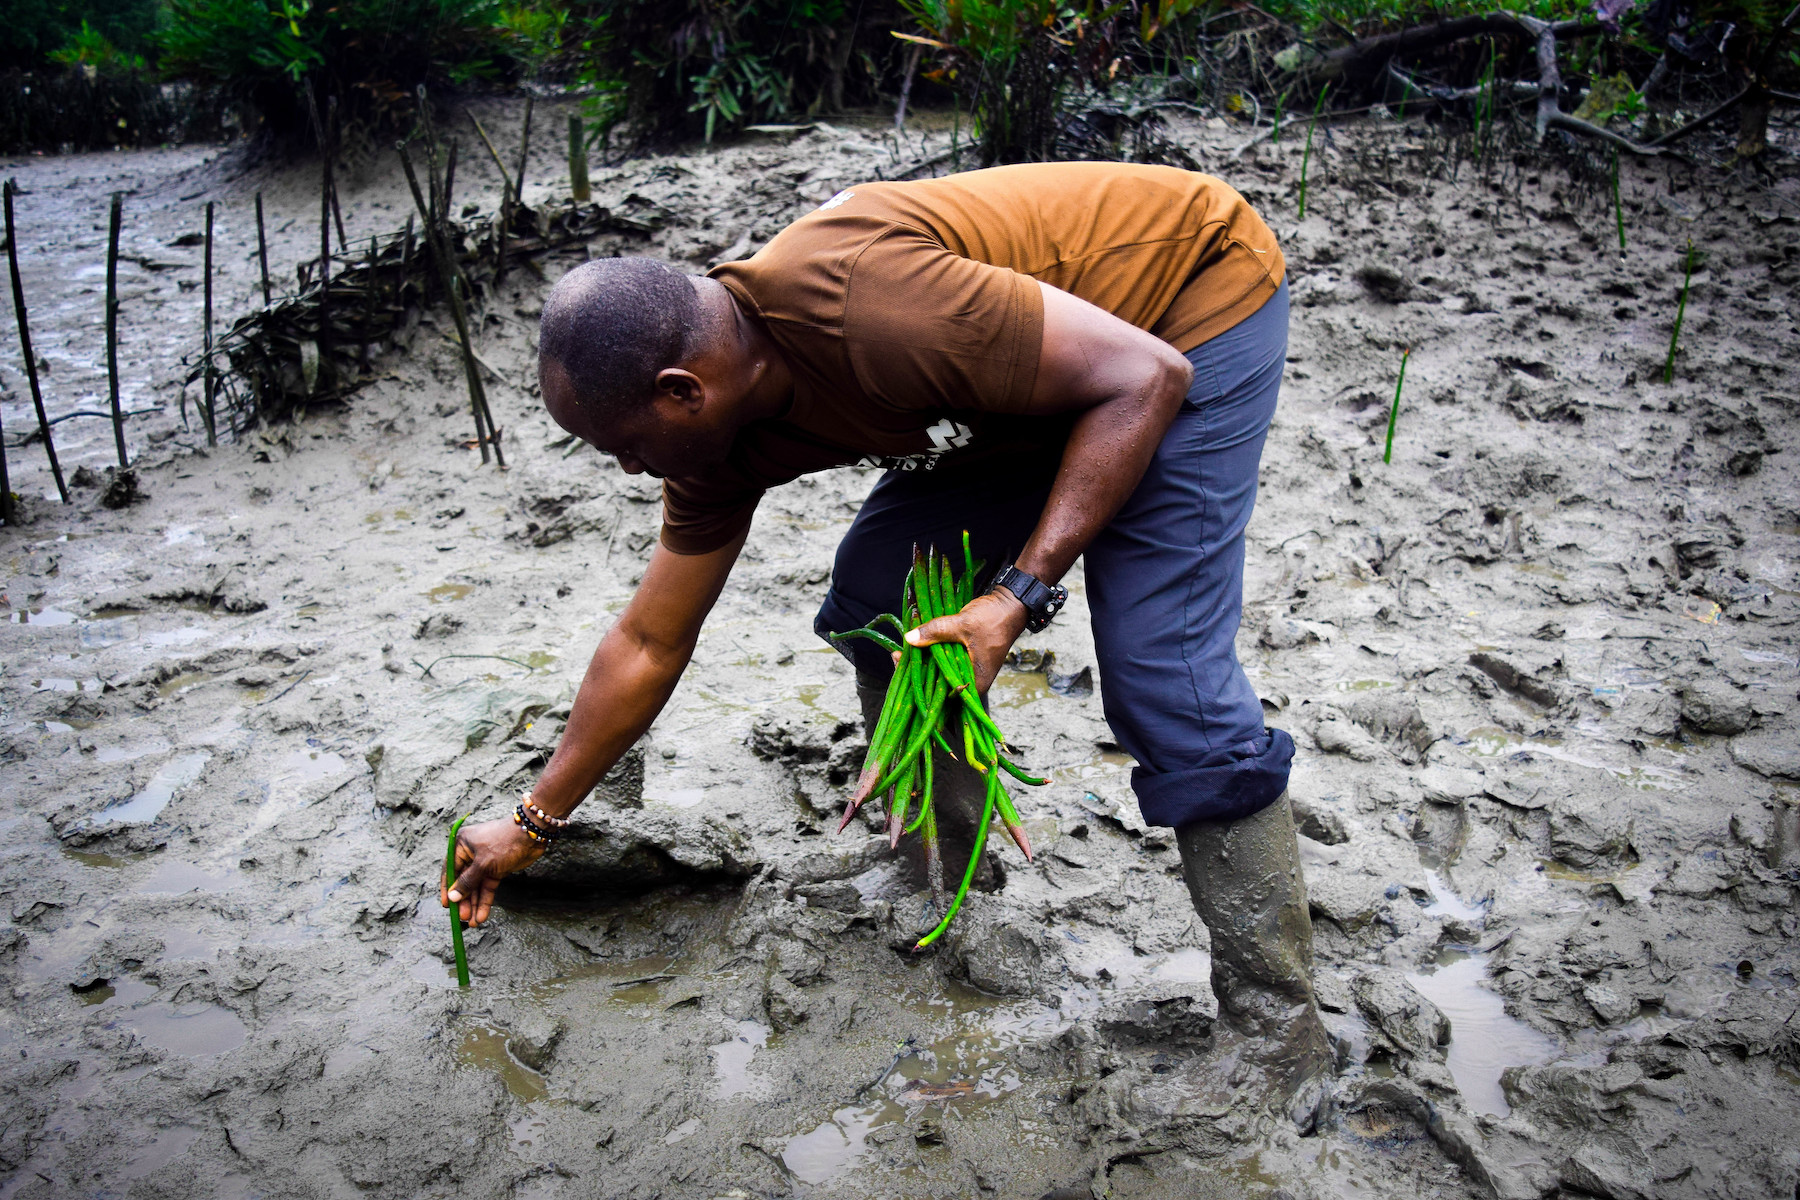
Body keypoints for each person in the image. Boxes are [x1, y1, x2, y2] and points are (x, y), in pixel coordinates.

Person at [442, 161, 1332, 1102]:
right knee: (880, 595)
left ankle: (1276, 1035)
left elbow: (1143, 375)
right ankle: (941, 876)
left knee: (1165, 671)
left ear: (681, 391)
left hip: (1182, 308)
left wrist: (1016, 596)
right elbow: (650, 642)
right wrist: (535, 821)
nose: (626, 469)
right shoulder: (713, 446)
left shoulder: (867, 311)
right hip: (1019, 380)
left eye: (623, 445)